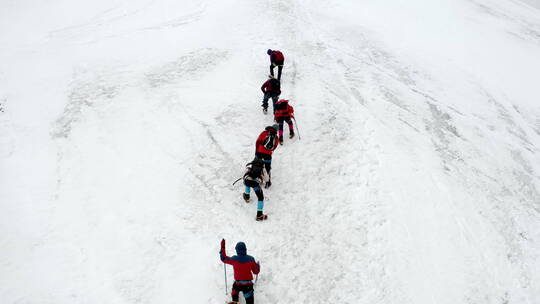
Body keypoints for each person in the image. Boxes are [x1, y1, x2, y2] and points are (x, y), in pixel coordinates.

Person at [220, 239, 260, 304]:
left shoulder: (234, 259)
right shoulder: (251, 259)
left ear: (237, 250)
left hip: (237, 284)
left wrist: (223, 246)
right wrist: (258, 265)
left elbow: (223, 258)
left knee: (234, 297)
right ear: (245, 249)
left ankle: (235, 300)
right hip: (248, 285)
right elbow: (256, 272)